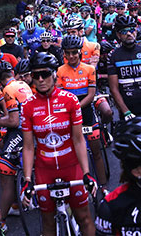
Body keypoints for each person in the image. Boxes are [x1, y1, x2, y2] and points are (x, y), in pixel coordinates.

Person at [21, 52, 96, 236]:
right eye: (35, 75)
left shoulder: (70, 100)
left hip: (71, 166)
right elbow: (29, 147)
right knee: (47, 224)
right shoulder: (28, 106)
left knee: (84, 218)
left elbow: (78, 140)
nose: (40, 79)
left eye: (45, 74)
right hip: (44, 170)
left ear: (54, 74)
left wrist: (87, 173)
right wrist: (27, 181)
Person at [57, 35, 107, 188]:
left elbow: (91, 95)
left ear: (79, 52)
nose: (71, 56)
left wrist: (75, 108)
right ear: (64, 53)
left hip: (86, 114)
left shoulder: (89, 69)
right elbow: (59, 95)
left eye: (74, 52)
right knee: (71, 155)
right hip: (68, 116)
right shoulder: (60, 71)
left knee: (96, 152)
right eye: (68, 53)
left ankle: (104, 187)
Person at [0, 61, 33, 231]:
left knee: (5, 169)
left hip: (21, 132)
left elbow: (14, 121)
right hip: (33, 130)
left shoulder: (8, 90)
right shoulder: (22, 83)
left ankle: (1, 220)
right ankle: (18, 202)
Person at [107, 15, 141, 119]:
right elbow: (114, 88)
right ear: (118, 35)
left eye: (132, 30)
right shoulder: (114, 56)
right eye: (124, 31)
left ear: (136, 31)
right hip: (127, 107)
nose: (129, 34)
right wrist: (125, 111)